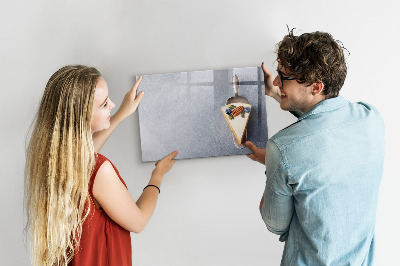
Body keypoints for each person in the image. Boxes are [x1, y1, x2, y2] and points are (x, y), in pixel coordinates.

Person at [245, 30, 385, 265]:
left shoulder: (282, 149)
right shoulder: (371, 118)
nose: (277, 81)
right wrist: (278, 94)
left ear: (316, 87)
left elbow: (274, 224)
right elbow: (325, 124)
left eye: (284, 77)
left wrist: (273, 163)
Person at [24, 65, 178, 266]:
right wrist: (157, 175)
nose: (113, 104)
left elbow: (86, 157)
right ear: (82, 117)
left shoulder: (53, 159)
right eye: (105, 104)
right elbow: (139, 221)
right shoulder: (100, 170)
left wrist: (122, 113)